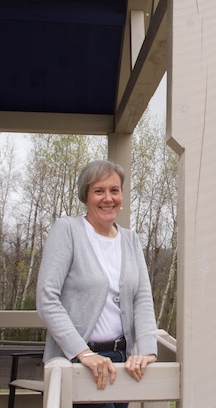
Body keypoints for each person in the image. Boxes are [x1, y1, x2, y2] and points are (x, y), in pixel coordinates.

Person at [37, 160, 158, 407]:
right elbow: (47, 299)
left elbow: (143, 298)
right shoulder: (67, 230)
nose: (108, 198)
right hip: (79, 361)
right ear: (86, 196)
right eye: (99, 191)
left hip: (123, 360)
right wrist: (84, 354)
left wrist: (146, 350)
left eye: (114, 190)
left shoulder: (131, 239)